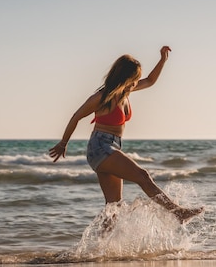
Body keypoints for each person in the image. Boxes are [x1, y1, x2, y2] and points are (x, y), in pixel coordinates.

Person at [49, 46, 203, 223]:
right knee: (142, 176)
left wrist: (162, 60)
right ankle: (178, 212)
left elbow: (151, 80)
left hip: (111, 146)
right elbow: (75, 117)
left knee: (114, 207)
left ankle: (95, 248)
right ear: (124, 77)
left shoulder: (126, 92)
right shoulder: (100, 98)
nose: (135, 82)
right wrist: (63, 143)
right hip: (100, 147)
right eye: (133, 79)